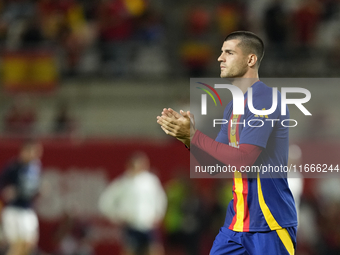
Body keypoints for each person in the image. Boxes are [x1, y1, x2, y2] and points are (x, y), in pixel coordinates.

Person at [157, 31, 298, 255]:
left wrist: (194, 136)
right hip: (236, 225)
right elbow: (214, 167)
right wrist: (186, 138)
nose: (219, 58)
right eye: (221, 52)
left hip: (270, 224)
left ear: (251, 59)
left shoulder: (266, 100)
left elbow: (243, 160)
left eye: (229, 52)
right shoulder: (233, 107)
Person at [98, 152, 167, 255]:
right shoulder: (123, 182)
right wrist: (117, 216)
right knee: (130, 251)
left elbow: (160, 199)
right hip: (131, 224)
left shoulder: (151, 181)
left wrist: (158, 215)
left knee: (154, 250)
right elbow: (106, 201)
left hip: (148, 224)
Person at [0, 140, 43, 255]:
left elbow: (31, 188)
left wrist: (39, 191)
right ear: (23, 151)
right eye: (31, 151)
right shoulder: (14, 166)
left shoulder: (36, 167)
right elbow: (2, 183)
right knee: (17, 245)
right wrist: (6, 191)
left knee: (29, 244)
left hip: (27, 209)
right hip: (14, 210)